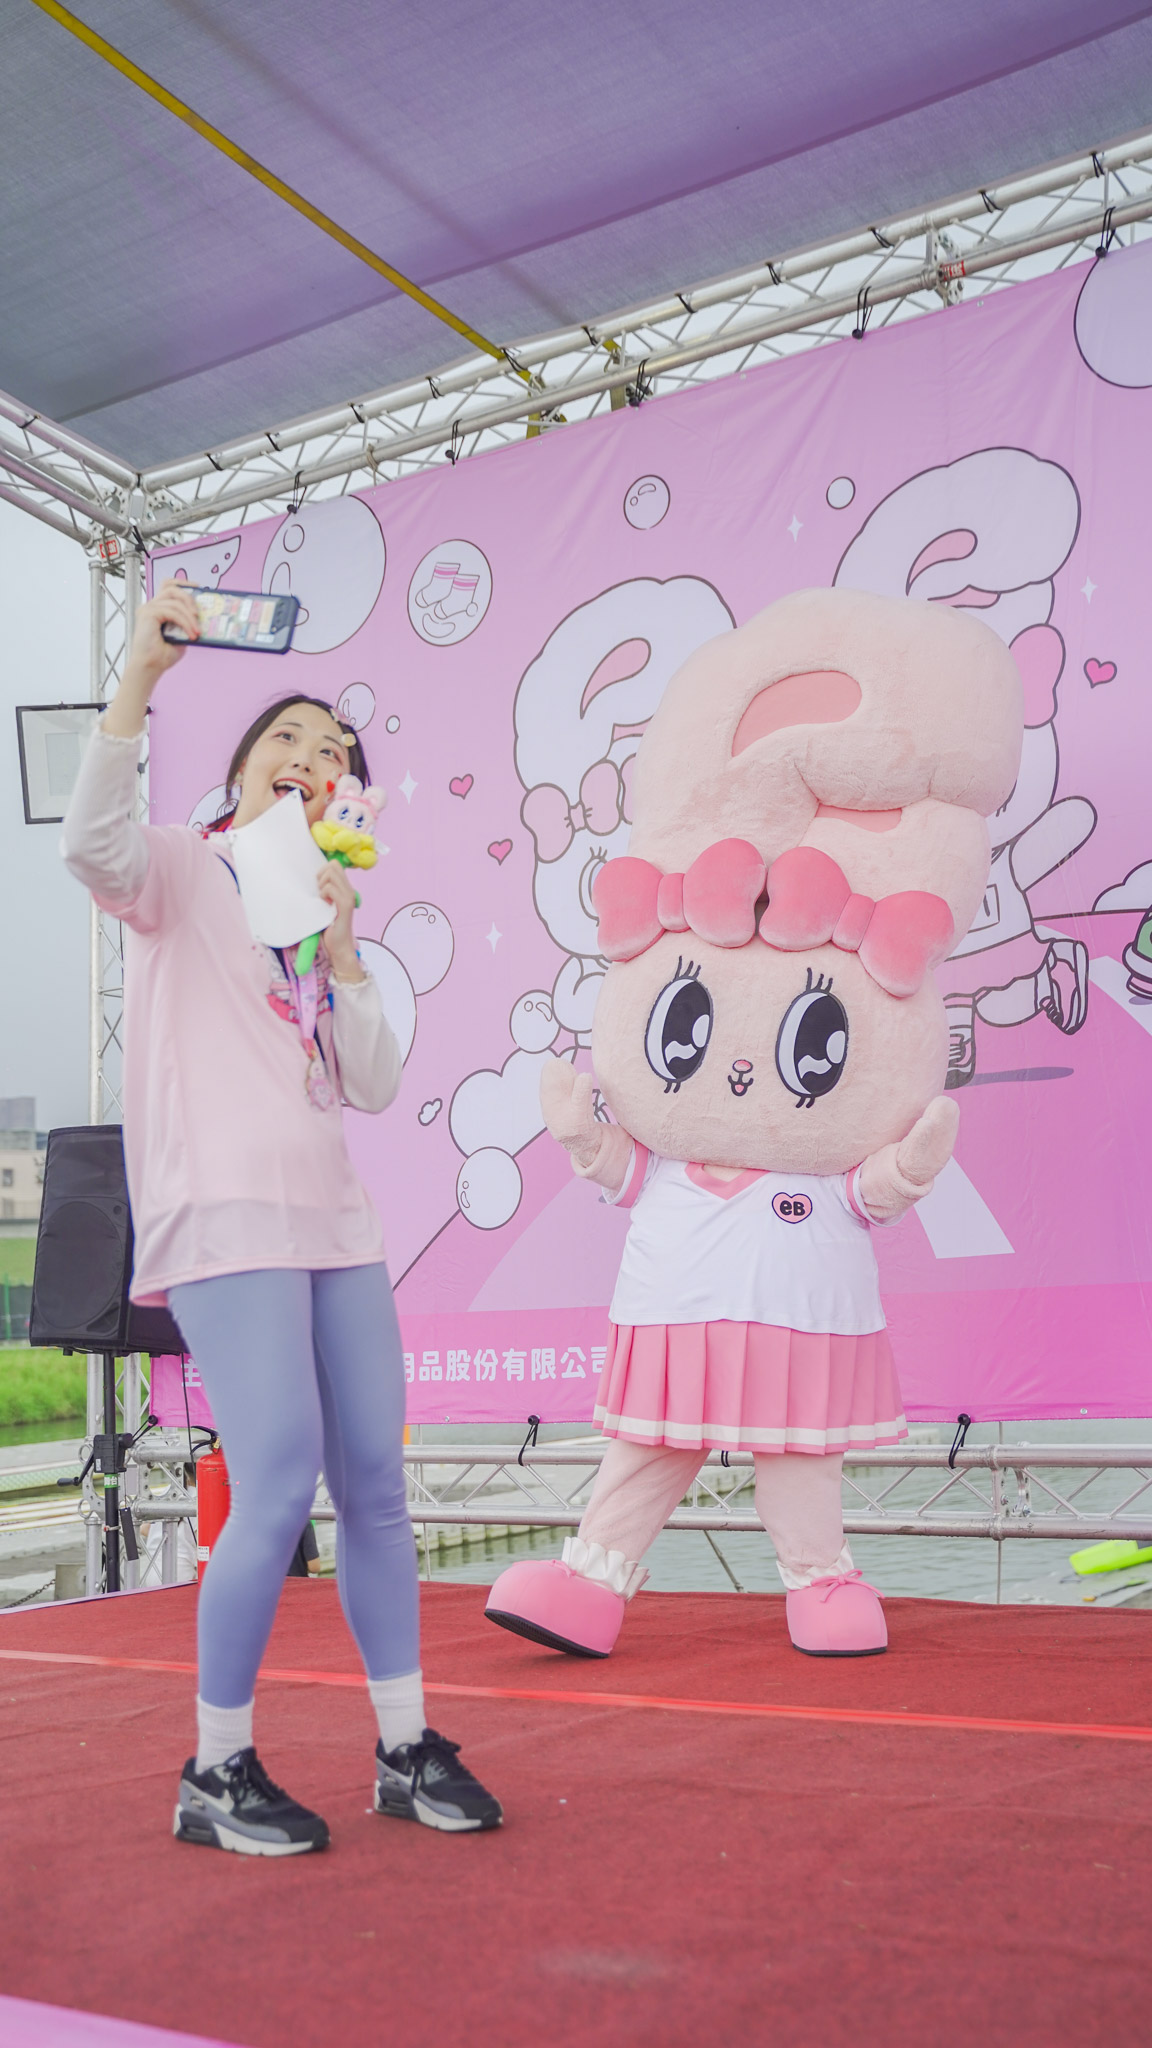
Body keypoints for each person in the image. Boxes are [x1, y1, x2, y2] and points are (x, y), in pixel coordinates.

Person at [62, 580, 501, 1853]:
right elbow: (89, 844)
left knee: (375, 1480)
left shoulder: (316, 917)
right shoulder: (181, 865)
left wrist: (346, 949)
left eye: (335, 751)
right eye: (291, 737)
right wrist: (141, 675)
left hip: (335, 1225)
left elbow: (371, 1080)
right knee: (275, 1483)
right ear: (247, 766)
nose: (314, 755)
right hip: (226, 1217)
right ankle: (216, 1765)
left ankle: (405, 1746)